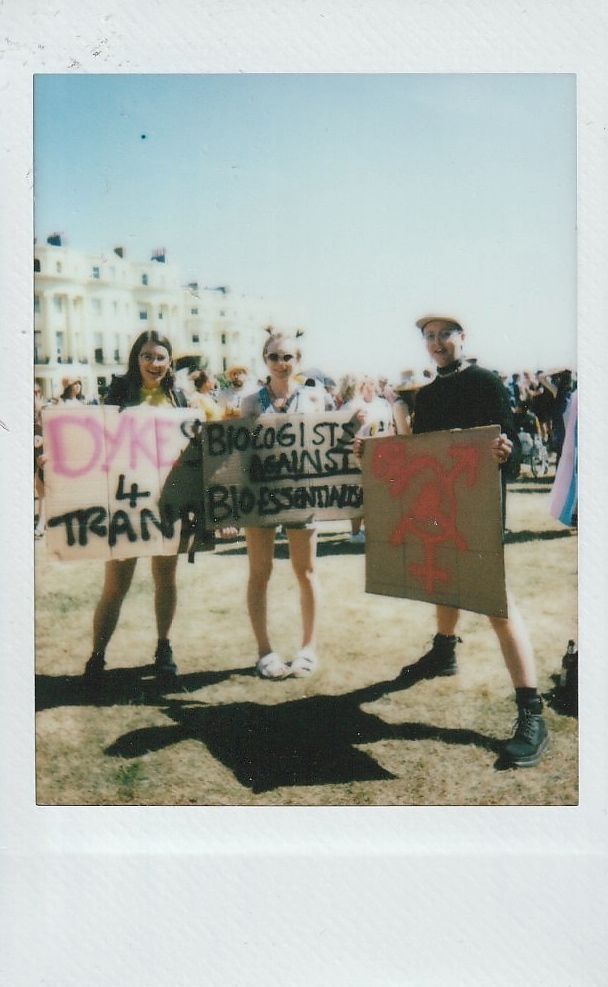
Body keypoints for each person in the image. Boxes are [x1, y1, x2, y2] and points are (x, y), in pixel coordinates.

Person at [388, 316, 548, 768]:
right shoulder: (431, 394)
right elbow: (421, 453)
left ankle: (532, 712)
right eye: (430, 336)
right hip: (442, 507)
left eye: (445, 334)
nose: (437, 343)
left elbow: (510, 439)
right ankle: (443, 651)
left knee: (496, 604)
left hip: (478, 509)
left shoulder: (485, 381)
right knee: (443, 580)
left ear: (463, 338)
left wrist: (506, 451)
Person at [82, 330, 189, 689]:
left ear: (169, 362)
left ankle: (163, 648)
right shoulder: (118, 394)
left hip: (167, 504)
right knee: (115, 585)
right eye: (147, 356)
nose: (154, 364)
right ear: (136, 359)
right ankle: (97, 655)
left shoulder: (179, 397)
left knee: (165, 579)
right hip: (126, 503)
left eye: (160, 357)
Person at [240, 329, 319, 679]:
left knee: (306, 572)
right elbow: (240, 454)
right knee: (260, 572)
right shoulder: (251, 402)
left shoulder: (315, 400)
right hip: (260, 498)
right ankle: (264, 651)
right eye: (274, 357)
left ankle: (308, 648)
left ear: (298, 361)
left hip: (303, 496)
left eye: (288, 357)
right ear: (265, 361)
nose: (281, 363)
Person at [342, 375, 395, 543]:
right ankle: (356, 532)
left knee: (379, 493)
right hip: (358, 453)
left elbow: (390, 426)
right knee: (358, 494)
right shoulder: (352, 405)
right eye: (366, 383)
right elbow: (343, 429)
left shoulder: (384, 404)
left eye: (373, 383)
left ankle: (374, 529)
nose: (370, 386)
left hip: (382, 453)